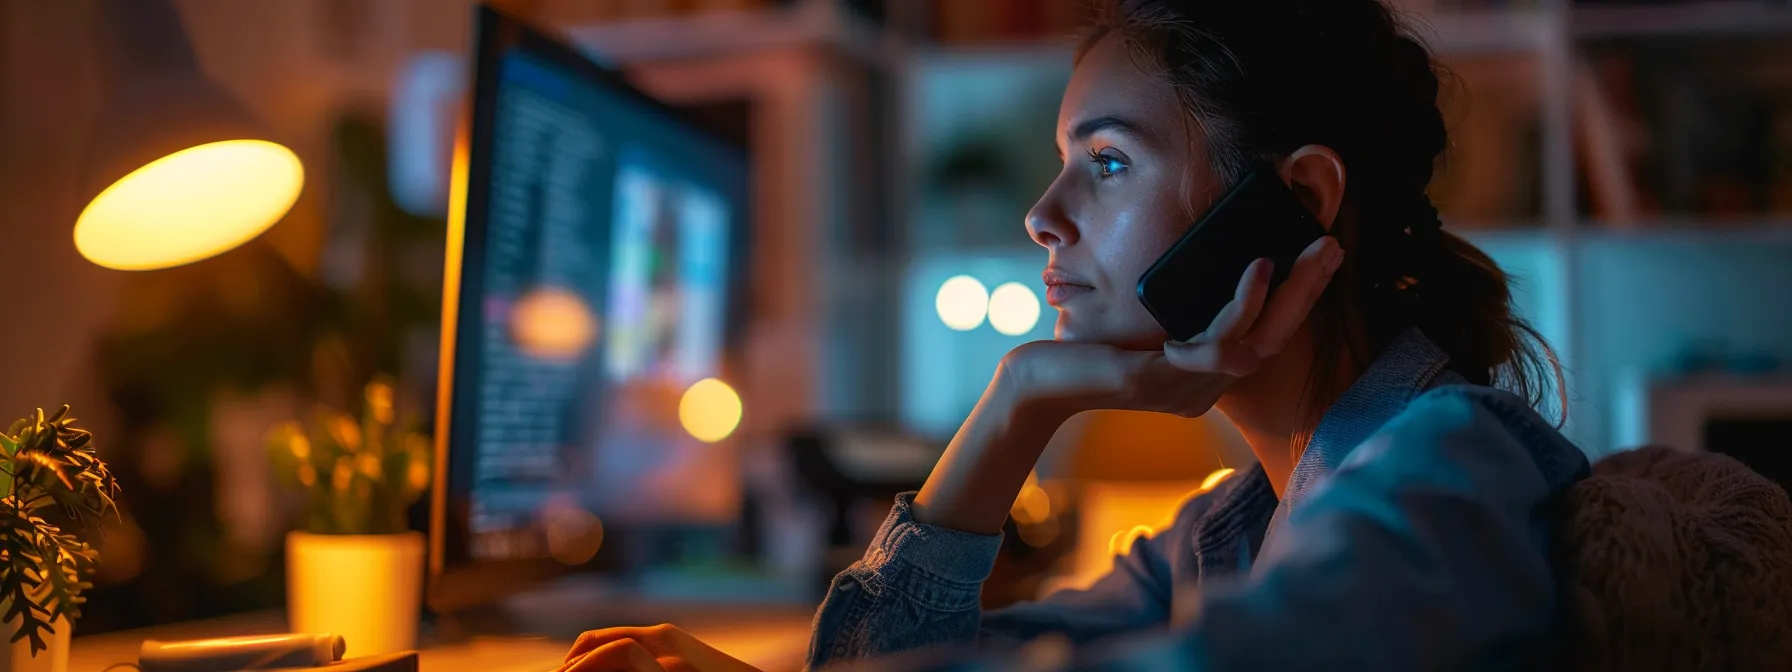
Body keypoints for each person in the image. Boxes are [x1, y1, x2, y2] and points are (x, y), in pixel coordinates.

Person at [554, 0, 1591, 669]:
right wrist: (1017, 399)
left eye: (1105, 162)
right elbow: (873, 661)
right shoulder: (1220, 534)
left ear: (1298, 202)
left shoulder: (1452, 465)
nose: (1040, 214)